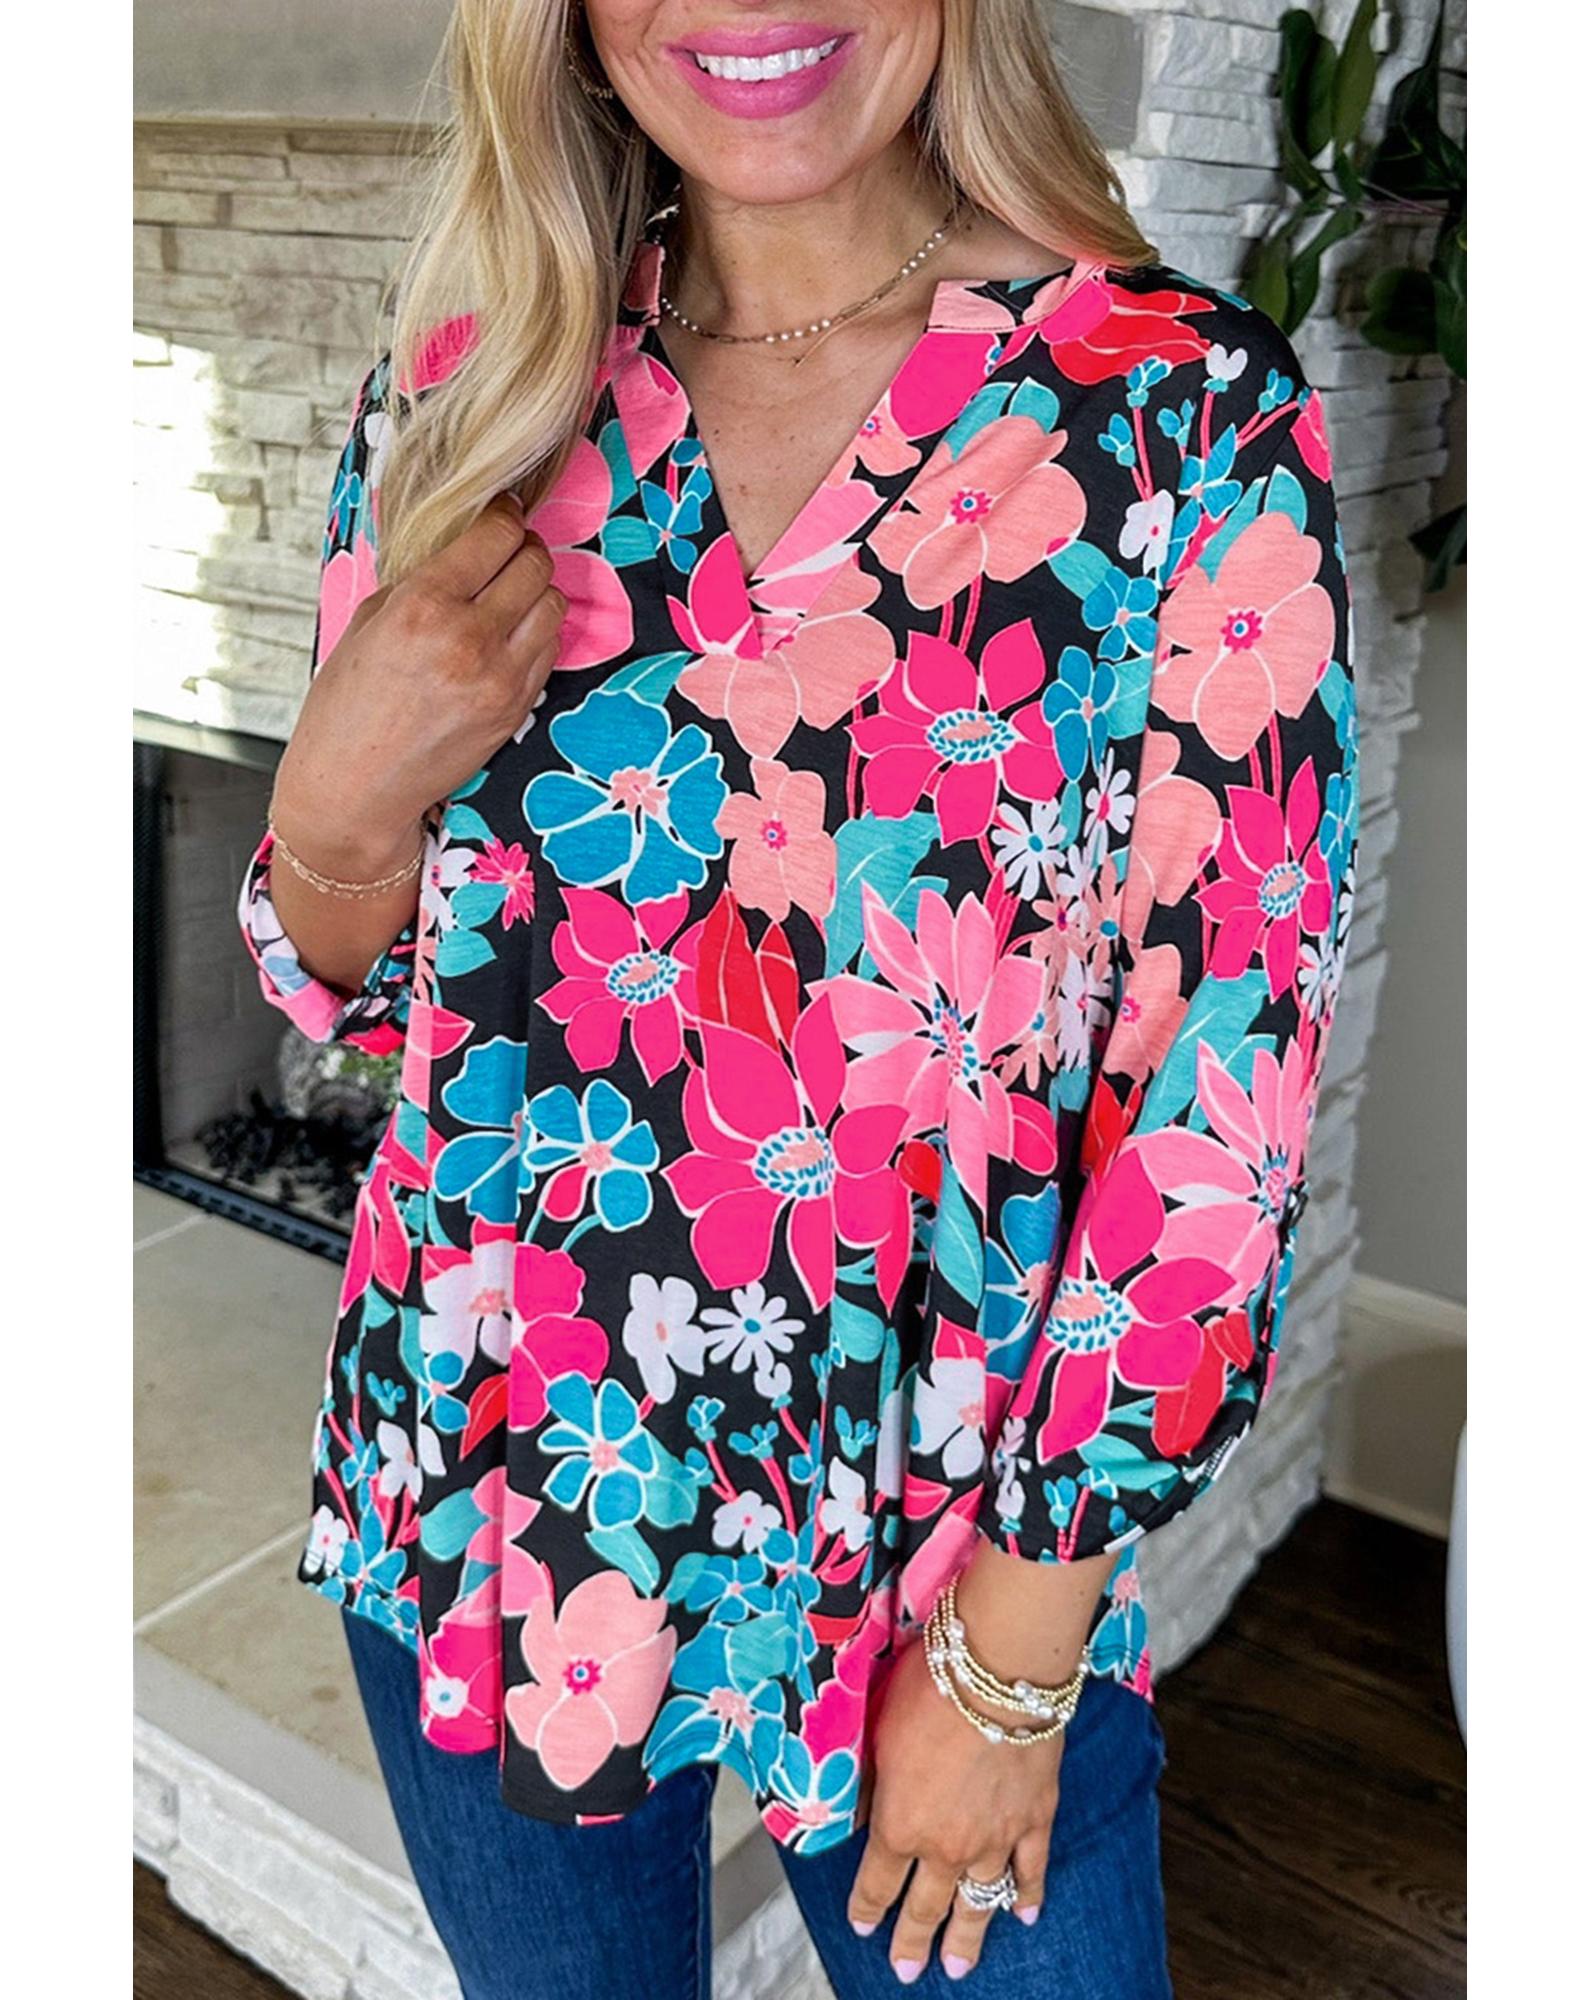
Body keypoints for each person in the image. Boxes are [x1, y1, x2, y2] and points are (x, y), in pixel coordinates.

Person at [236, 3, 1359, 1994]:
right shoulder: (471, 394)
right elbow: (388, 1011)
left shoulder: (1174, 416)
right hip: (497, 1484)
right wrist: (328, 807)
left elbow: (1218, 1113)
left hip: (948, 1554)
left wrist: (1012, 1666)